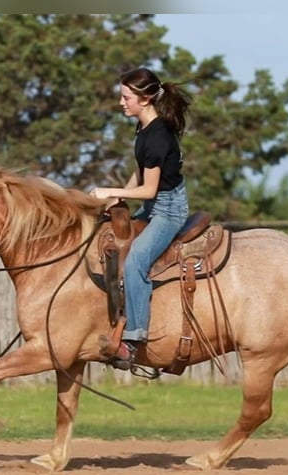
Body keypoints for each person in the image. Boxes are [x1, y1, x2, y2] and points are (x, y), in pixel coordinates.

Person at [91, 67, 193, 368]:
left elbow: (149, 190)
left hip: (167, 211)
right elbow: (141, 172)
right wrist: (118, 197)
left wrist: (107, 190)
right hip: (152, 204)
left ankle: (135, 337)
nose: (122, 102)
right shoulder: (144, 129)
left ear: (145, 99)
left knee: (135, 261)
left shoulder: (158, 137)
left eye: (126, 97)